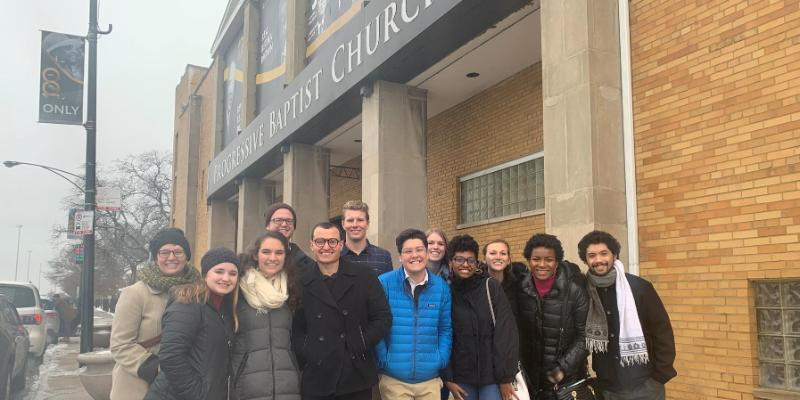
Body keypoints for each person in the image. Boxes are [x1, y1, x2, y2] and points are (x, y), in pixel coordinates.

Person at [291, 222, 392, 400]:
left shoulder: (364, 276)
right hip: (317, 375)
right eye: (320, 241)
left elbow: (382, 317)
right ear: (311, 245)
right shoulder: (301, 280)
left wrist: (359, 342)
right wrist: (308, 350)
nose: (326, 247)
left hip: (356, 374)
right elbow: (296, 327)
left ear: (341, 244)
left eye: (332, 241)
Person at [577, 231, 676, 400]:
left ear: (614, 255)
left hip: (645, 386)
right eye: (592, 255)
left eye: (604, 253)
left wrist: (659, 377)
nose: (598, 260)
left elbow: (662, 332)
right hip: (607, 388)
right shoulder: (584, 292)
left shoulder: (639, 288)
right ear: (585, 260)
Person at [110, 228, 200, 400]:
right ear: (156, 256)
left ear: (187, 256)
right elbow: (120, 344)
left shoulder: (197, 292)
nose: (172, 257)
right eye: (164, 252)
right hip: (138, 388)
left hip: (183, 387)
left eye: (178, 252)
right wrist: (157, 368)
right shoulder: (135, 294)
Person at [144, 247, 242, 400]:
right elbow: (171, 356)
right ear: (205, 274)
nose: (226, 278)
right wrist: (196, 394)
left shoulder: (226, 309)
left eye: (233, 273)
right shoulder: (188, 304)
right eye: (219, 271)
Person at [375, 229, 452, 400]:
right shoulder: (384, 283)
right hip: (394, 379)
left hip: (430, 380)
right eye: (408, 251)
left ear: (426, 252)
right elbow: (376, 325)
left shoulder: (441, 287)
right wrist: (383, 358)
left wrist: (441, 358)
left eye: (419, 249)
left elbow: (445, 328)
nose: (414, 255)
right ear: (400, 256)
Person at [443, 235, 518, 400]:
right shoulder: (446, 292)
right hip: (461, 378)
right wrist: (448, 378)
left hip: (492, 377)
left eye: (471, 260)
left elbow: (506, 334)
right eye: (459, 259)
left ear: (477, 262)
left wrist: (505, 378)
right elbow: (442, 336)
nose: (465, 264)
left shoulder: (490, 287)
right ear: (451, 261)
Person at [514, 233, 588, 400]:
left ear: (557, 262)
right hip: (531, 380)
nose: (542, 264)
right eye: (536, 259)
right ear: (528, 259)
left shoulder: (575, 291)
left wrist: (563, 368)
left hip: (565, 381)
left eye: (548, 259)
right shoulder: (521, 289)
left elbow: (585, 336)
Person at [231, 231, 302, 400]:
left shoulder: (292, 289)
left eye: (279, 253)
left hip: (287, 386)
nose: (273, 258)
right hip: (246, 386)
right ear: (255, 255)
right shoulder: (237, 289)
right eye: (266, 252)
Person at [339, 200, 393, 276]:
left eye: (360, 220)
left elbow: (387, 287)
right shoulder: (335, 255)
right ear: (343, 224)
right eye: (350, 220)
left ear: (367, 224)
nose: (355, 225)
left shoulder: (383, 256)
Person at [265, 203, 316, 275]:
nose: (284, 224)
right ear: (267, 225)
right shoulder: (250, 260)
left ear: (294, 227)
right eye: (278, 220)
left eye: (289, 221)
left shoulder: (308, 265)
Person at [483, 239, 527, 304]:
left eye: (503, 253)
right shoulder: (476, 286)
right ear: (484, 259)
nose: (498, 257)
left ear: (508, 260)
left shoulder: (519, 284)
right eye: (493, 253)